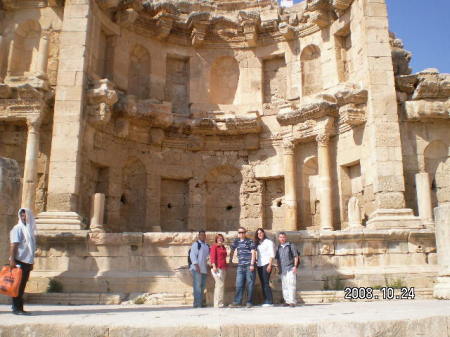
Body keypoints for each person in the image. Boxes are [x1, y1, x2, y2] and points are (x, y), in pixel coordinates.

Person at [9, 208, 37, 315]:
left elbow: (31, 247)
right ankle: (16, 308)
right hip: (19, 260)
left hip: (27, 261)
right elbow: (14, 244)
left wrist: (31, 262)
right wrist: (12, 259)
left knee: (22, 285)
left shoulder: (29, 230)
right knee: (17, 285)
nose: (23, 217)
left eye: (25, 215)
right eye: (21, 215)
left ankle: (20, 307)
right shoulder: (18, 228)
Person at [229, 227, 256, 308]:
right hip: (240, 266)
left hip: (249, 265)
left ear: (245, 233)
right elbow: (232, 250)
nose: (241, 234)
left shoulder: (249, 241)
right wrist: (230, 260)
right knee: (239, 284)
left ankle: (249, 302)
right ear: (238, 233)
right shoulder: (236, 241)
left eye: (243, 232)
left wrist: (252, 264)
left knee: (250, 284)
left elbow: (253, 252)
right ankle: (237, 302)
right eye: (240, 232)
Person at [275, 232, 299, 307]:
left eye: (283, 237)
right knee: (284, 286)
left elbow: (296, 256)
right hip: (282, 269)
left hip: (290, 268)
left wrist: (295, 266)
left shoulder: (291, 246)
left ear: (286, 238)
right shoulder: (278, 247)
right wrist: (277, 267)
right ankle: (287, 300)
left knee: (291, 284)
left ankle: (292, 301)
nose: (282, 239)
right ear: (278, 238)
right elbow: (277, 259)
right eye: (280, 237)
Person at [189, 230, 210, 308]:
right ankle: (198, 304)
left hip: (204, 269)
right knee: (197, 286)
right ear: (199, 236)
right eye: (201, 235)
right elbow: (192, 255)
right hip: (196, 268)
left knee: (202, 287)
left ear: (205, 236)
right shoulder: (195, 244)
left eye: (203, 235)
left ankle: (197, 303)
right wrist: (196, 266)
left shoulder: (206, 246)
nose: (202, 236)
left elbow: (208, 257)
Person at [254, 228, 275, 307]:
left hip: (266, 263)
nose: (259, 234)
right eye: (258, 233)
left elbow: (272, 254)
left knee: (266, 282)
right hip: (260, 264)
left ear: (264, 233)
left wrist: (270, 265)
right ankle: (266, 300)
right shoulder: (258, 243)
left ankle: (270, 301)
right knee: (262, 283)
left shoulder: (268, 242)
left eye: (261, 233)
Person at [210, 233, 227, 308]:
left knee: (220, 286)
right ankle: (217, 303)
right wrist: (214, 266)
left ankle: (220, 303)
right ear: (216, 239)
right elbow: (212, 257)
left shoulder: (223, 247)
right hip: (217, 268)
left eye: (221, 238)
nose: (220, 239)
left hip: (223, 268)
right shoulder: (214, 247)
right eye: (218, 238)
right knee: (219, 285)